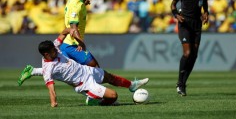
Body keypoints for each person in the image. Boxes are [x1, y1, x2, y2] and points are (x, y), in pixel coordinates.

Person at [20, 28, 149, 107]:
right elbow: (51, 88)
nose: (56, 50)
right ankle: (94, 101)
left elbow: (62, 33)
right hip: (84, 83)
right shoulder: (48, 68)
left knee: (109, 76)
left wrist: (69, 30)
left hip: (87, 70)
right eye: (53, 50)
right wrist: (53, 102)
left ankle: (132, 85)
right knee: (113, 96)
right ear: (46, 54)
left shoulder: (54, 47)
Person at [18, 0, 100, 86]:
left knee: (67, 73)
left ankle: (33, 71)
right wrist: (80, 42)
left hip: (67, 43)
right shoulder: (76, 5)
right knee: (94, 68)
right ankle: (94, 96)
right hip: (72, 44)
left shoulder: (74, 0)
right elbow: (73, 26)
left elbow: (75, 11)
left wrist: (83, 3)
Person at [170, 0, 210, 96]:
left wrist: (206, 13)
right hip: (184, 23)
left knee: (194, 55)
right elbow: (173, 4)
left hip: (197, 24)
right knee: (187, 53)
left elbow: (205, 2)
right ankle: (179, 83)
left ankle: (182, 83)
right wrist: (176, 15)